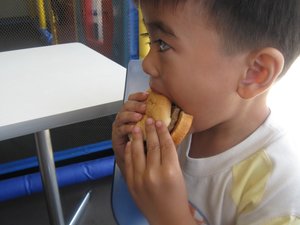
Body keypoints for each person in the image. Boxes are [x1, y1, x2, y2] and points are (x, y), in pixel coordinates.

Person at [112, 0, 300, 224]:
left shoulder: (280, 192)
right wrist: (131, 162)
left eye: (162, 44)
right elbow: (144, 202)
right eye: (149, 39)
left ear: (254, 72)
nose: (147, 64)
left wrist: (172, 219)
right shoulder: (181, 128)